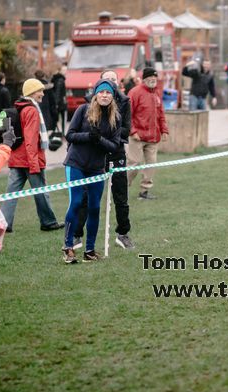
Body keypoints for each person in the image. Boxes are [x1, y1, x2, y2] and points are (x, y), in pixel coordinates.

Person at [73, 69, 134, 250]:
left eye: (113, 81)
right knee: (85, 195)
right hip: (94, 155)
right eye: (106, 81)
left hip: (115, 152)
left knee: (121, 196)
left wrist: (107, 135)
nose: (110, 84)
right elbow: (80, 131)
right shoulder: (88, 104)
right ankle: (77, 235)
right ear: (100, 84)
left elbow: (125, 130)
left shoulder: (124, 102)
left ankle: (123, 234)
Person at [62, 79, 121, 263]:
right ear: (96, 94)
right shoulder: (83, 110)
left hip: (97, 168)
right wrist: (88, 136)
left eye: (108, 93)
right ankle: (68, 247)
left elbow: (114, 146)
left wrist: (99, 140)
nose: (105, 95)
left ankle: (89, 250)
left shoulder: (115, 118)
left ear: (112, 96)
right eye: (102, 92)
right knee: (77, 203)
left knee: (95, 207)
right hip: (76, 164)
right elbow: (69, 135)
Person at [0, 79, 64, 233]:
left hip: (16, 159)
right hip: (30, 160)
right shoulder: (32, 110)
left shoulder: (20, 106)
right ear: (30, 93)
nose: (42, 93)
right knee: (41, 192)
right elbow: (30, 140)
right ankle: (48, 222)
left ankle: (3, 224)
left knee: (11, 194)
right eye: (39, 91)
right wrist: (34, 164)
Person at [127, 67, 169, 200]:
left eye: (154, 77)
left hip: (153, 137)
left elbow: (161, 113)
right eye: (150, 77)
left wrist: (164, 130)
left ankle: (144, 192)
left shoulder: (156, 93)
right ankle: (121, 188)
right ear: (144, 79)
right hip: (137, 136)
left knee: (151, 164)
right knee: (134, 165)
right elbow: (127, 115)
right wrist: (132, 131)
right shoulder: (134, 92)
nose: (153, 79)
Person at [51, 64, 67, 134]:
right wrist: (57, 103)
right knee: (62, 118)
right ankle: (62, 133)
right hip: (60, 103)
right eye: (64, 70)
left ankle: (56, 132)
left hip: (57, 102)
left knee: (56, 118)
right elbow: (58, 92)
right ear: (60, 71)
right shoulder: (60, 80)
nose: (65, 71)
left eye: (66, 70)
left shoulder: (56, 79)